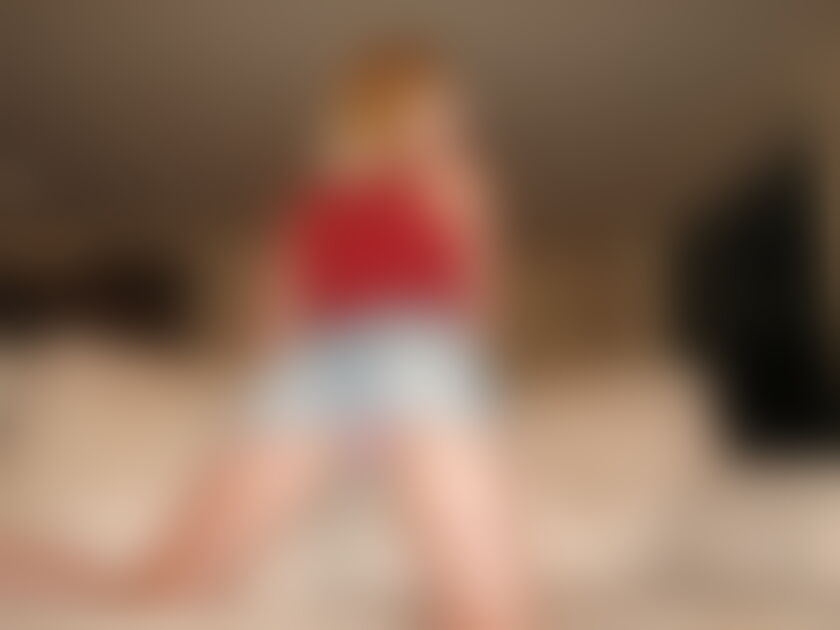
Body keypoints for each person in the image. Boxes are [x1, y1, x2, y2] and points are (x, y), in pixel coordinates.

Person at [1, 39, 530, 630]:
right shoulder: (312, 197)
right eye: (440, 106)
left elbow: (476, 303)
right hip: (315, 369)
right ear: (387, 104)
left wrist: (433, 411)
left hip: (417, 354)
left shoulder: (456, 178)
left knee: (490, 616)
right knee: (161, 589)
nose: (453, 121)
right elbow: (277, 314)